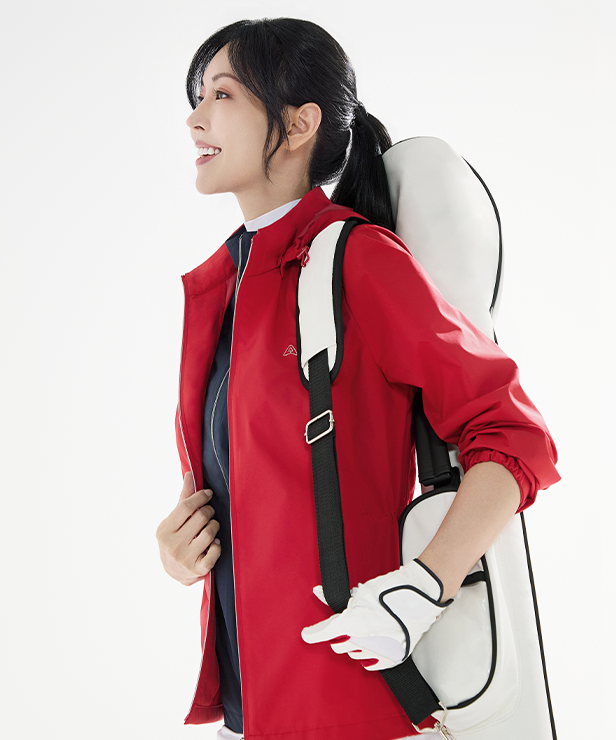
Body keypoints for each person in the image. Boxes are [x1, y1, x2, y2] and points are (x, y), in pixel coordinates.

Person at [155, 18, 559, 740]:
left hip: (348, 706)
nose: (195, 119)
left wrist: (425, 587)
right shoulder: (227, 290)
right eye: (198, 98)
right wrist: (182, 549)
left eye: (222, 95)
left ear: (298, 123)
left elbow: (514, 437)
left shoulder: (357, 259)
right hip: (250, 714)